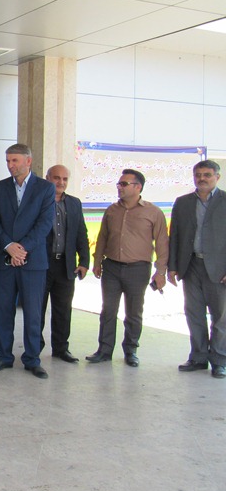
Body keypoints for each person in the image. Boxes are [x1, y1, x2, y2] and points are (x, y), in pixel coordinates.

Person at [0, 143, 55, 379]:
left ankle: (32, 359)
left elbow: (44, 224)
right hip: (5, 261)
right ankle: (4, 356)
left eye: (14, 160)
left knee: (33, 314)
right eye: (8, 161)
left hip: (33, 262)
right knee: (3, 311)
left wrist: (21, 249)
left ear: (28, 161)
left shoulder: (45, 188)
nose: (10, 165)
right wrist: (8, 247)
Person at [87, 169, 168, 367]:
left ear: (138, 187)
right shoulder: (112, 210)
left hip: (138, 269)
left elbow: (162, 243)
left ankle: (131, 350)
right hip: (112, 267)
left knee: (133, 312)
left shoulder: (153, 212)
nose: (119, 187)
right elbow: (103, 237)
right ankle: (104, 350)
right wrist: (97, 262)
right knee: (108, 310)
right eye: (119, 184)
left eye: (124, 184)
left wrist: (161, 272)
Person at [168, 160, 226, 379]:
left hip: (219, 269)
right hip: (190, 265)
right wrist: (172, 267)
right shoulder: (183, 202)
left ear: (217, 177)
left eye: (207, 175)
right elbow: (174, 235)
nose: (202, 179)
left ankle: (219, 360)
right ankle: (199, 357)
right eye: (198, 175)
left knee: (220, 317)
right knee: (194, 314)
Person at [40, 165, 90, 363]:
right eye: (56, 178)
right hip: (42, 265)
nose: (61, 182)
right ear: (47, 178)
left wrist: (84, 261)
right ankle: (35, 348)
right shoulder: (39, 200)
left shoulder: (74, 203)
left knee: (63, 310)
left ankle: (61, 349)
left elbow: (81, 233)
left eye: (65, 179)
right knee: (37, 309)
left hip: (66, 266)